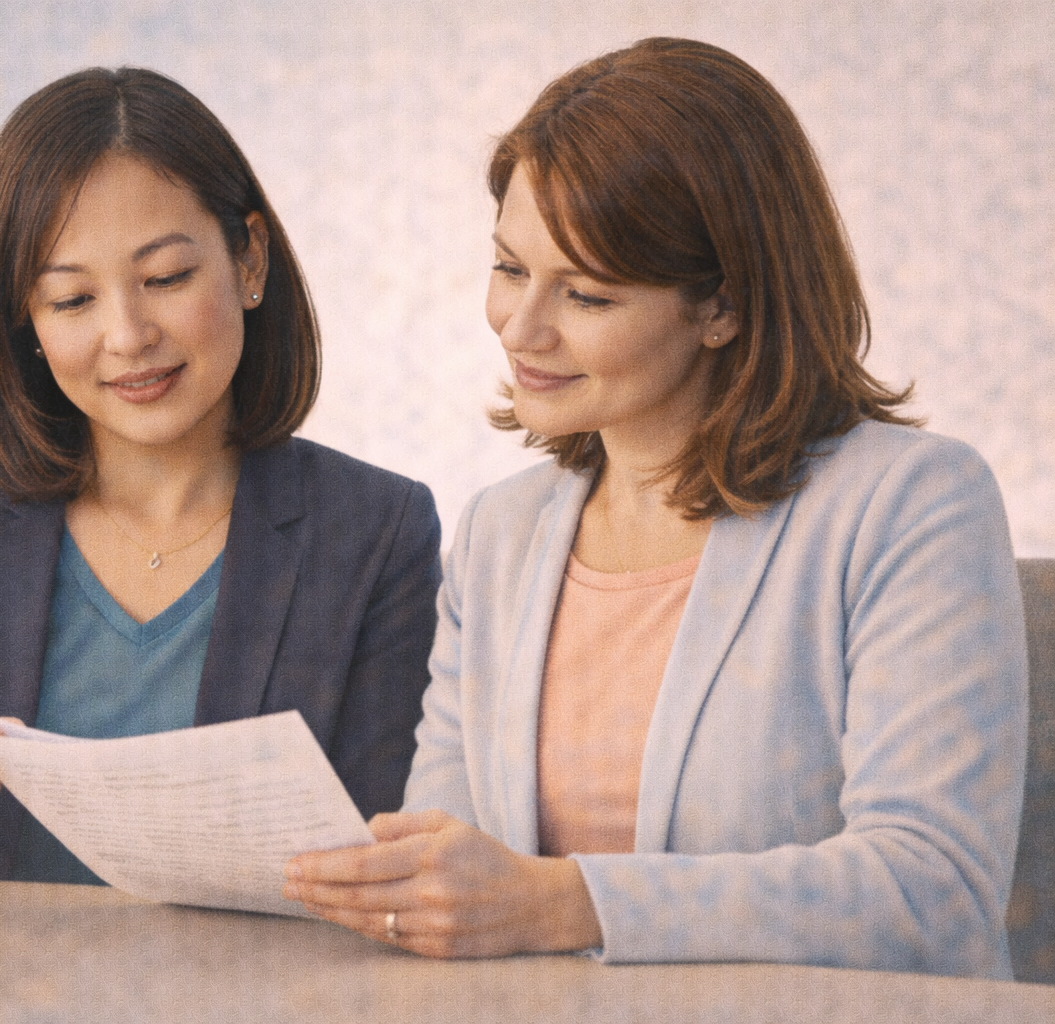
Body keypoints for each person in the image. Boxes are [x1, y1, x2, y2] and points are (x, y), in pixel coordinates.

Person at [282, 37, 1027, 979]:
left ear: (722, 307)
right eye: (510, 269)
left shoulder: (913, 505)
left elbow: (933, 891)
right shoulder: (499, 537)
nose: (520, 327)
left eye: (586, 294)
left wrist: (566, 900)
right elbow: (455, 867)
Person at [0, 67, 441, 890]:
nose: (127, 335)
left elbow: (391, 839)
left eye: (166, 279)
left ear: (249, 257)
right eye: (73, 299)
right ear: (28, 323)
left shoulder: (377, 529)